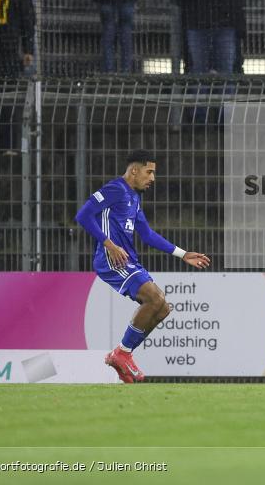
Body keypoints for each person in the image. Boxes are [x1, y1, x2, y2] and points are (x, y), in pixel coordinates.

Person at [75, 150, 211, 383]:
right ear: (134, 170)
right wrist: (109, 245)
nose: (153, 178)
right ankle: (122, 353)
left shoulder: (134, 198)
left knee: (163, 308)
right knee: (154, 298)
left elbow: (146, 234)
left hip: (128, 260)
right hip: (111, 259)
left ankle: (123, 356)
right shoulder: (115, 189)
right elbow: (83, 215)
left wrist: (182, 254)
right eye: (149, 172)